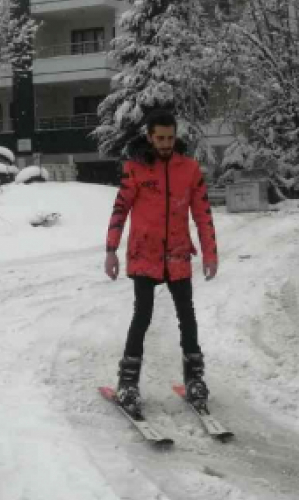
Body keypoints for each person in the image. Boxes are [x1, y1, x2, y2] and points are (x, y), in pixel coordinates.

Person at [104, 112, 218, 413]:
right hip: (145, 255)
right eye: (160, 138)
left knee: (187, 317)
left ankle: (194, 379)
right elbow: (120, 210)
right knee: (142, 318)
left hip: (178, 255)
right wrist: (111, 250)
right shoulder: (136, 169)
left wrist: (210, 254)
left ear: (174, 136)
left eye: (170, 138)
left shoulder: (189, 169)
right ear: (150, 137)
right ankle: (127, 382)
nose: (165, 144)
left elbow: (203, 214)